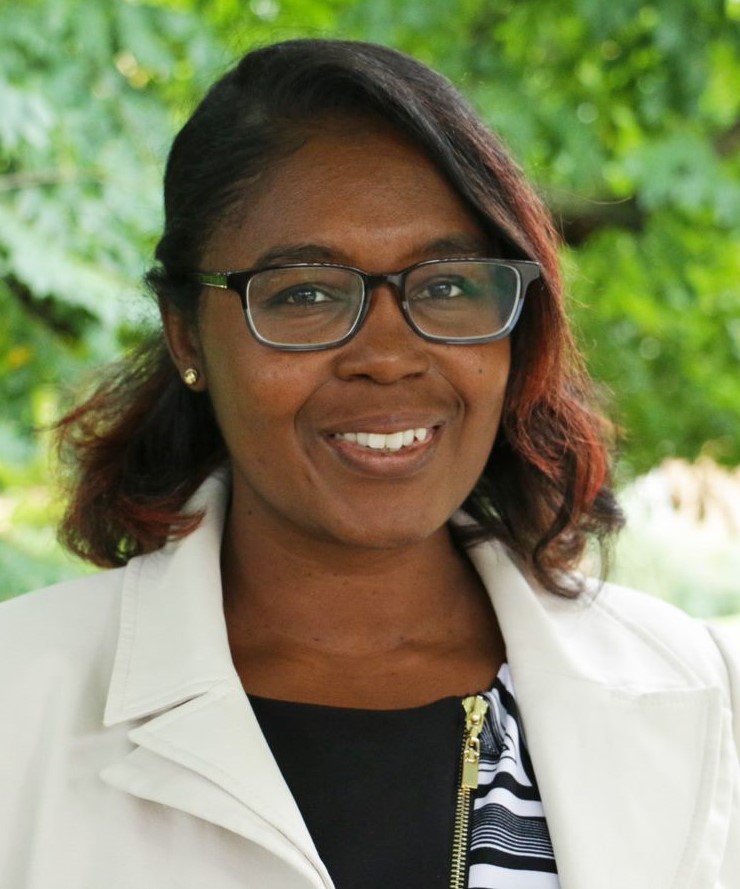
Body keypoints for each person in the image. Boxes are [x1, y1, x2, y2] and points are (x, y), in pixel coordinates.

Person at [0, 38, 737, 889]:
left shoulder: (704, 700)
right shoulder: (20, 702)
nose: (388, 356)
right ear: (186, 334)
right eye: (306, 293)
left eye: (448, 285)